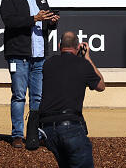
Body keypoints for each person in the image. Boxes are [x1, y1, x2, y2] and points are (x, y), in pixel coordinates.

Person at [0, 0, 60, 148]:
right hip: (19, 56)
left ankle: (34, 133)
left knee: (38, 97)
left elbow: (46, 22)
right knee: (19, 96)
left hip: (39, 56)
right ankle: (17, 135)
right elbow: (9, 21)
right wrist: (34, 19)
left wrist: (52, 21)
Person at [38, 31, 106, 167]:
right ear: (78, 47)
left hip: (48, 130)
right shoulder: (83, 64)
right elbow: (101, 85)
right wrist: (87, 58)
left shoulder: (48, 64)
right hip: (71, 126)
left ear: (59, 46)